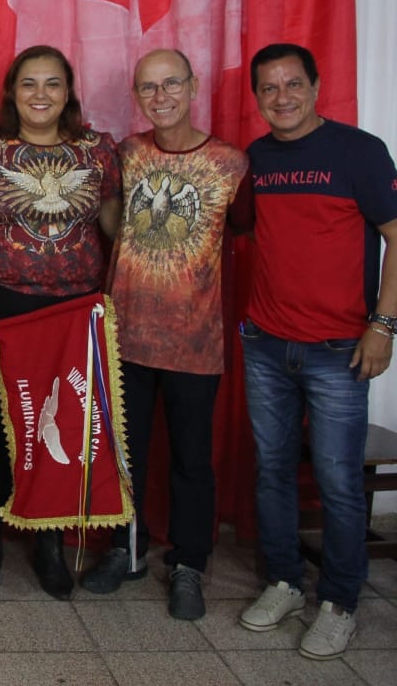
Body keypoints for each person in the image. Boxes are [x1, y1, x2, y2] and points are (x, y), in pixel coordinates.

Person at [237, 43, 397, 660]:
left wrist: (384, 325)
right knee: (272, 471)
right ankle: (284, 583)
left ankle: (339, 602)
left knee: (337, 481)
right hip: (266, 344)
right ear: (257, 97)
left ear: (315, 86)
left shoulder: (360, 151)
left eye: (293, 84)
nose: (282, 98)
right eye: (269, 88)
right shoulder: (256, 158)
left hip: (340, 350)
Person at [80, 49, 248, 620]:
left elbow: (245, 232)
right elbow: (111, 220)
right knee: (125, 453)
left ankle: (189, 564)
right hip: (127, 336)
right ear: (136, 95)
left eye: (171, 83)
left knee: (192, 460)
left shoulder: (231, 163)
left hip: (194, 342)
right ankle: (126, 550)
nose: (161, 96)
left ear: (193, 86)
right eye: (148, 88)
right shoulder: (127, 154)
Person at [0, 44, 122, 600]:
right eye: (29, 83)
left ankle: (50, 540)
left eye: (52, 83)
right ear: (12, 91)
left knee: (61, 425)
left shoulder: (97, 150)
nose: (40, 94)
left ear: (68, 92)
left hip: (74, 310)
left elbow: (114, 227)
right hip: (2, 306)